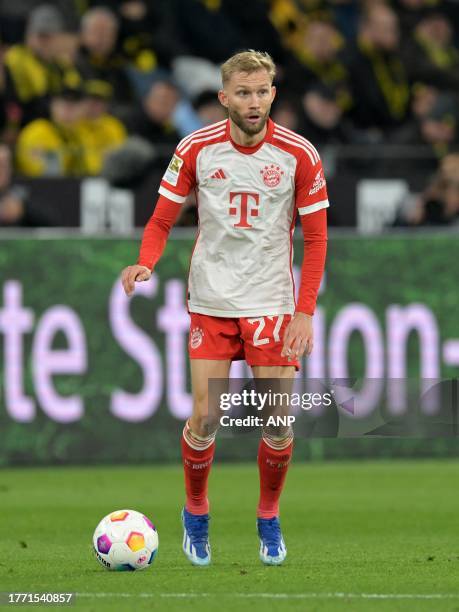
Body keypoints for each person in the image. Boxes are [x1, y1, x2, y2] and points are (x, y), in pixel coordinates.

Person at [120, 50, 328, 566]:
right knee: (206, 416)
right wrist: (145, 262)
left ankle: (268, 516)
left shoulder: (299, 154)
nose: (253, 102)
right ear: (223, 98)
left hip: (272, 303)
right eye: (243, 93)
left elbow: (317, 239)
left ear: (273, 94)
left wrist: (304, 311)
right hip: (212, 299)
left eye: (262, 92)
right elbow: (161, 220)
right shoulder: (195, 149)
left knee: (278, 422)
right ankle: (195, 510)